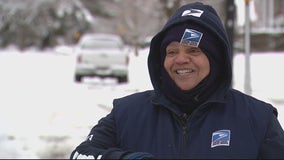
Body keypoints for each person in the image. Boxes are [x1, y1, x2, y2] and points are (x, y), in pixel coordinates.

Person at [70, 2, 284, 159]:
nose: (181, 59)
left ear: (215, 59)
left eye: (193, 50)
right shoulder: (126, 113)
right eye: (172, 52)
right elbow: (81, 155)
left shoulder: (257, 119)